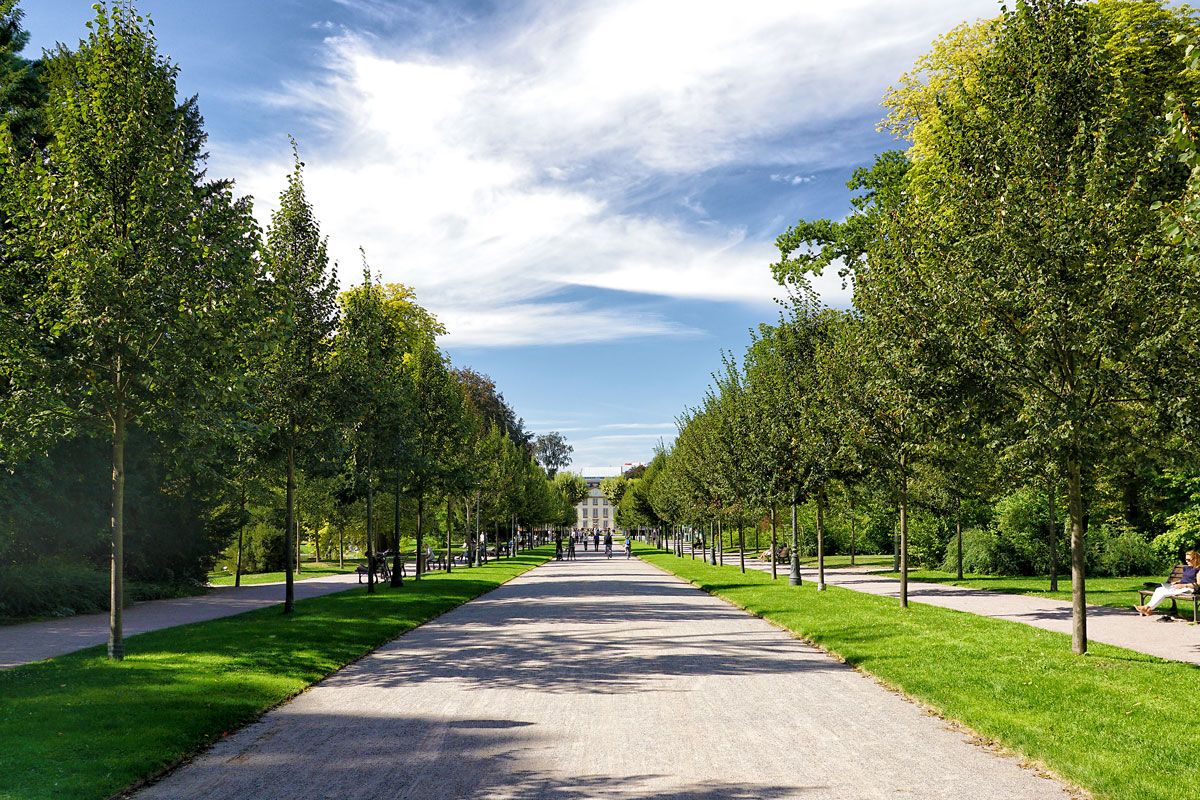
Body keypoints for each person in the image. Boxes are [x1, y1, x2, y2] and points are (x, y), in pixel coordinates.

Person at [1136, 550, 1200, 616]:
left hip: (1190, 589)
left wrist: (1183, 585)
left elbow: (1198, 584)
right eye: (1186, 559)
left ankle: (1147, 608)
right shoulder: (1187, 568)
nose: (1186, 561)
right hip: (1180, 587)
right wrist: (1177, 582)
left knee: (1164, 592)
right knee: (1159, 589)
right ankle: (1148, 609)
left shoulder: (1198, 569)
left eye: (1189, 559)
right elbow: (1186, 579)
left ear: (1195, 559)